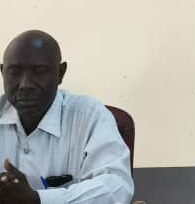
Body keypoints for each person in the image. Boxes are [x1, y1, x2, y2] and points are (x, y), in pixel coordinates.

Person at [0, 30, 134, 204]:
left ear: (60, 73)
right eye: (15, 72)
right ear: (2, 73)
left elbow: (116, 188)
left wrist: (38, 199)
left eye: (39, 71)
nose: (25, 84)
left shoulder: (90, 117)